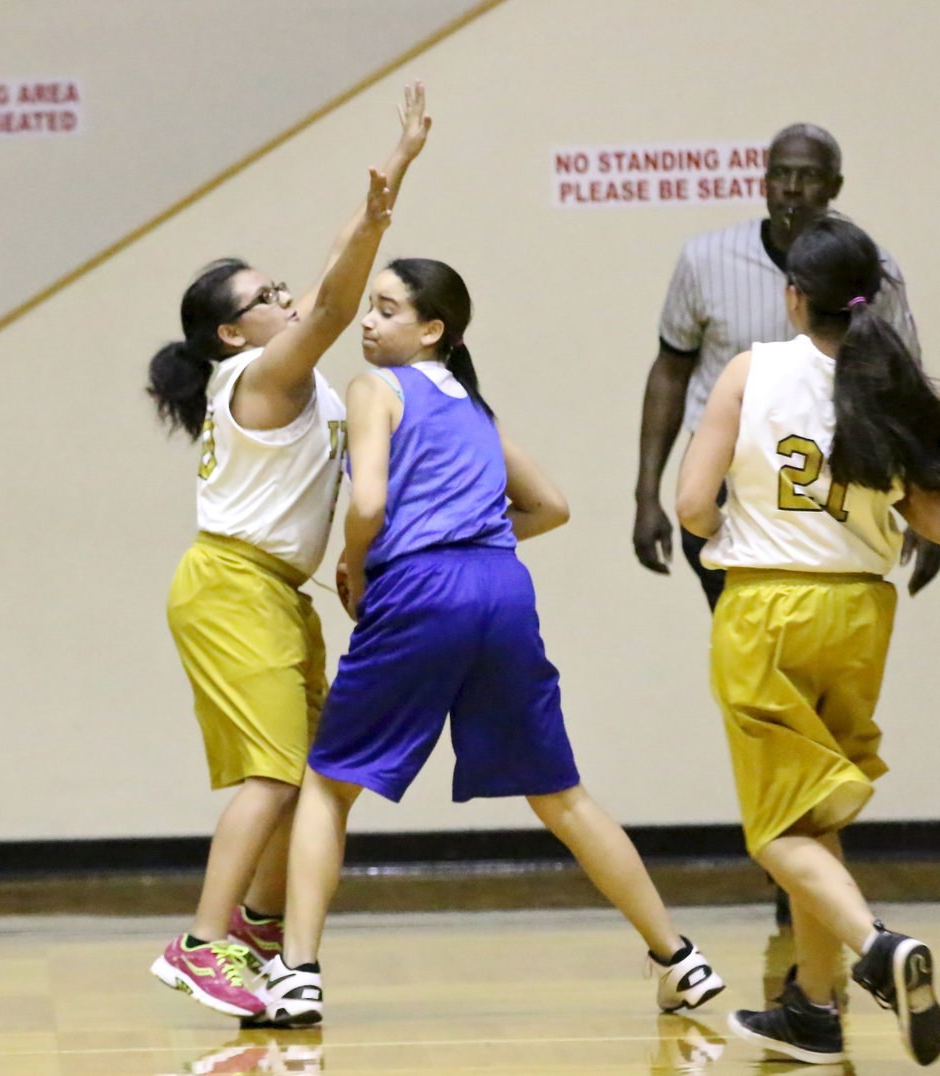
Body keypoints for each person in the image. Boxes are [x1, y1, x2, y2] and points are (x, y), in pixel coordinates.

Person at [255, 257, 726, 1028]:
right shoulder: (473, 408)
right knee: (561, 795)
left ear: (432, 330)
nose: (368, 323)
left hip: (420, 588)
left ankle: (298, 973)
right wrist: (475, 538)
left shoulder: (378, 388)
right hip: (503, 589)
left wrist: (353, 559)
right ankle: (678, 957)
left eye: (386, 309)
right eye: (368, 310)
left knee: (328, 782)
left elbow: (368, 496)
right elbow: (553, 507)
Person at [144, 83, 431, 1020]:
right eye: (264, 299)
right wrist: (382, 195)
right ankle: (202, 943)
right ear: (232, 333)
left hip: (275, 589)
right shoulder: (256, 373)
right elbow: (336, 306)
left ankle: (263, 928)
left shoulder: (290, 367)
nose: (285, 300)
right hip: (232, 584)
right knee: (273, 776)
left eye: (280, 289)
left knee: (316, 774)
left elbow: (325, 296)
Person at [675, 216, 940, 1066]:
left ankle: (877, 951)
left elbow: (692, 506)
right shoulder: (892, 383)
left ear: (793, 297)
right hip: (861, 616)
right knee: (812, 811)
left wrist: (737, 527)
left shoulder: (751, 369)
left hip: (768, 607)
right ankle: (811, 1007)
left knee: (775, 830)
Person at [634, 122, 940, 610]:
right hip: (726, 475)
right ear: (764, 181)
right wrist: (645, 495)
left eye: (809, 176)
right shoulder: (705, 259)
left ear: (835, 187)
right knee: (750, 638)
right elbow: (670, 372)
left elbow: (905, 387)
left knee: (816, 636)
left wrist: (929, 501)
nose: (792, 188)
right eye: (781, 174)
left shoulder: (872, 269)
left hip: (835, 477)